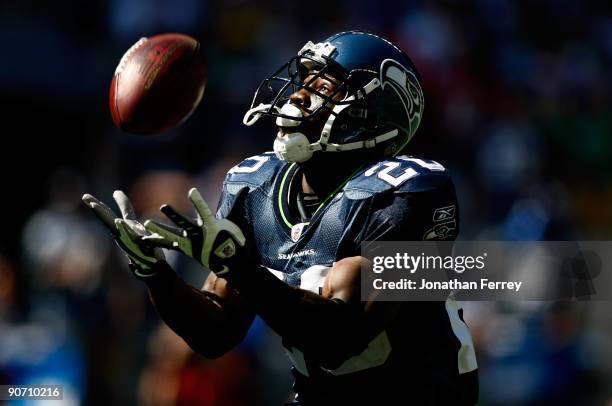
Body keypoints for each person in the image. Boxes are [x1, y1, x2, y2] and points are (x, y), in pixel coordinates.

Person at [83, 30, 478, 405]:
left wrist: (239, 268)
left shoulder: (410, 191)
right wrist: (156, 275)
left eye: (323, 89)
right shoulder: (254, 185)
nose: (299, 96)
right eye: (304, 82)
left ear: (373, 115)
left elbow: (341, 338)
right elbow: (216, 333)